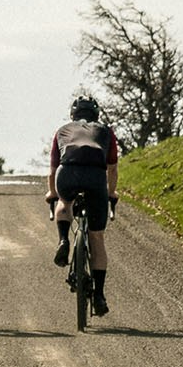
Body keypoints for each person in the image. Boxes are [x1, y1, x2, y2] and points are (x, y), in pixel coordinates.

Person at [47, 95, 122, 313]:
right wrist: (110, 192)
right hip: (95, 177)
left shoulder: (62, 130)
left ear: (73, 114)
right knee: (96, 237)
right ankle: (99, 295)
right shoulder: (106, 131)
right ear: (96, 114)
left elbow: (53, 169)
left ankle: (63, 241)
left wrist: (52, 193)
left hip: (67, 172)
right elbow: (113, 168)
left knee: (64, 202)